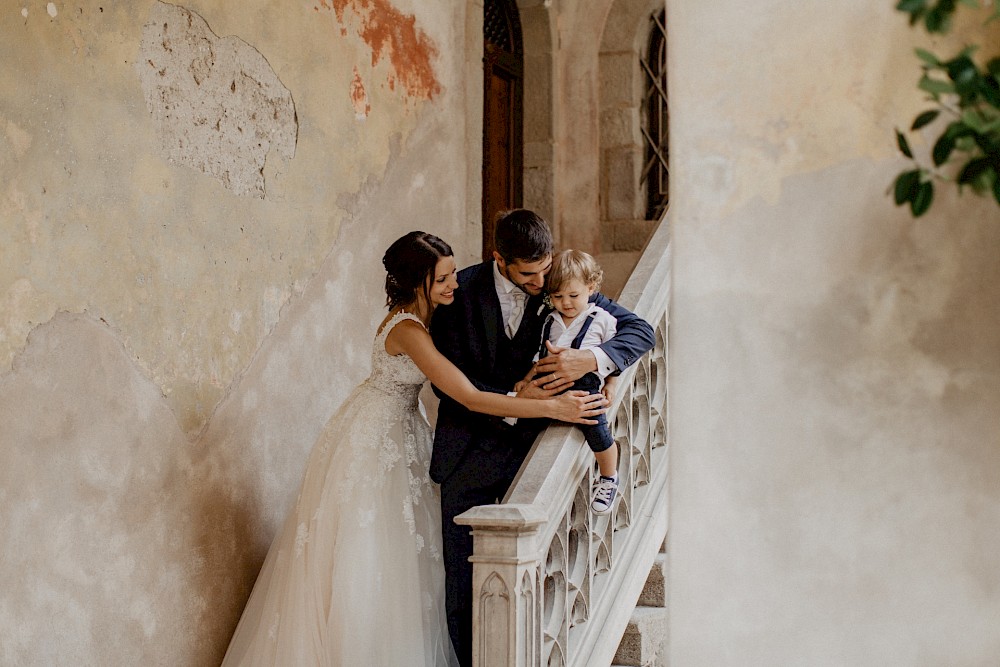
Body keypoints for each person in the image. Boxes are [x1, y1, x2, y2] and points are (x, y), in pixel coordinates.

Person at [221, 231, 606, 667]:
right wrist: (551, 406)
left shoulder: (424, 319)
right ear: (418, 282)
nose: (454, 285)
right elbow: (468, 396)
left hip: (403, 429)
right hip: (376, 438)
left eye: (452, 275)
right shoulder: (408, 330)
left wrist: (534, 386)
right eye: (442, 279)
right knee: (369, 552)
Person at [429, 209, 656, 666]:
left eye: (544, 268)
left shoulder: (560, 281)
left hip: (533, 450)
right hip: (468, 454)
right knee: (462, 587)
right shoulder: (461, 292)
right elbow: (447, 384)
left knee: (538, 580)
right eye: (528, 274)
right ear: (499, 259)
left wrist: (593, 363)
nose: (540, 282)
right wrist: (517, 395)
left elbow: (638, 330)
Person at [516, 249, 629, 514]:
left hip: (585, 390)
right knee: (527, 431)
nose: (566, 303)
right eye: (558, 296)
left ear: (591, 287)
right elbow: (539, 357)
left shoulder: (601, 319)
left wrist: (611, 384)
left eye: (573, 295)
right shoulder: (549, 321)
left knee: (598, 432)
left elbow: (613, 355)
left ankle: (609, 476)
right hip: (548, 388)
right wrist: (525, 381)